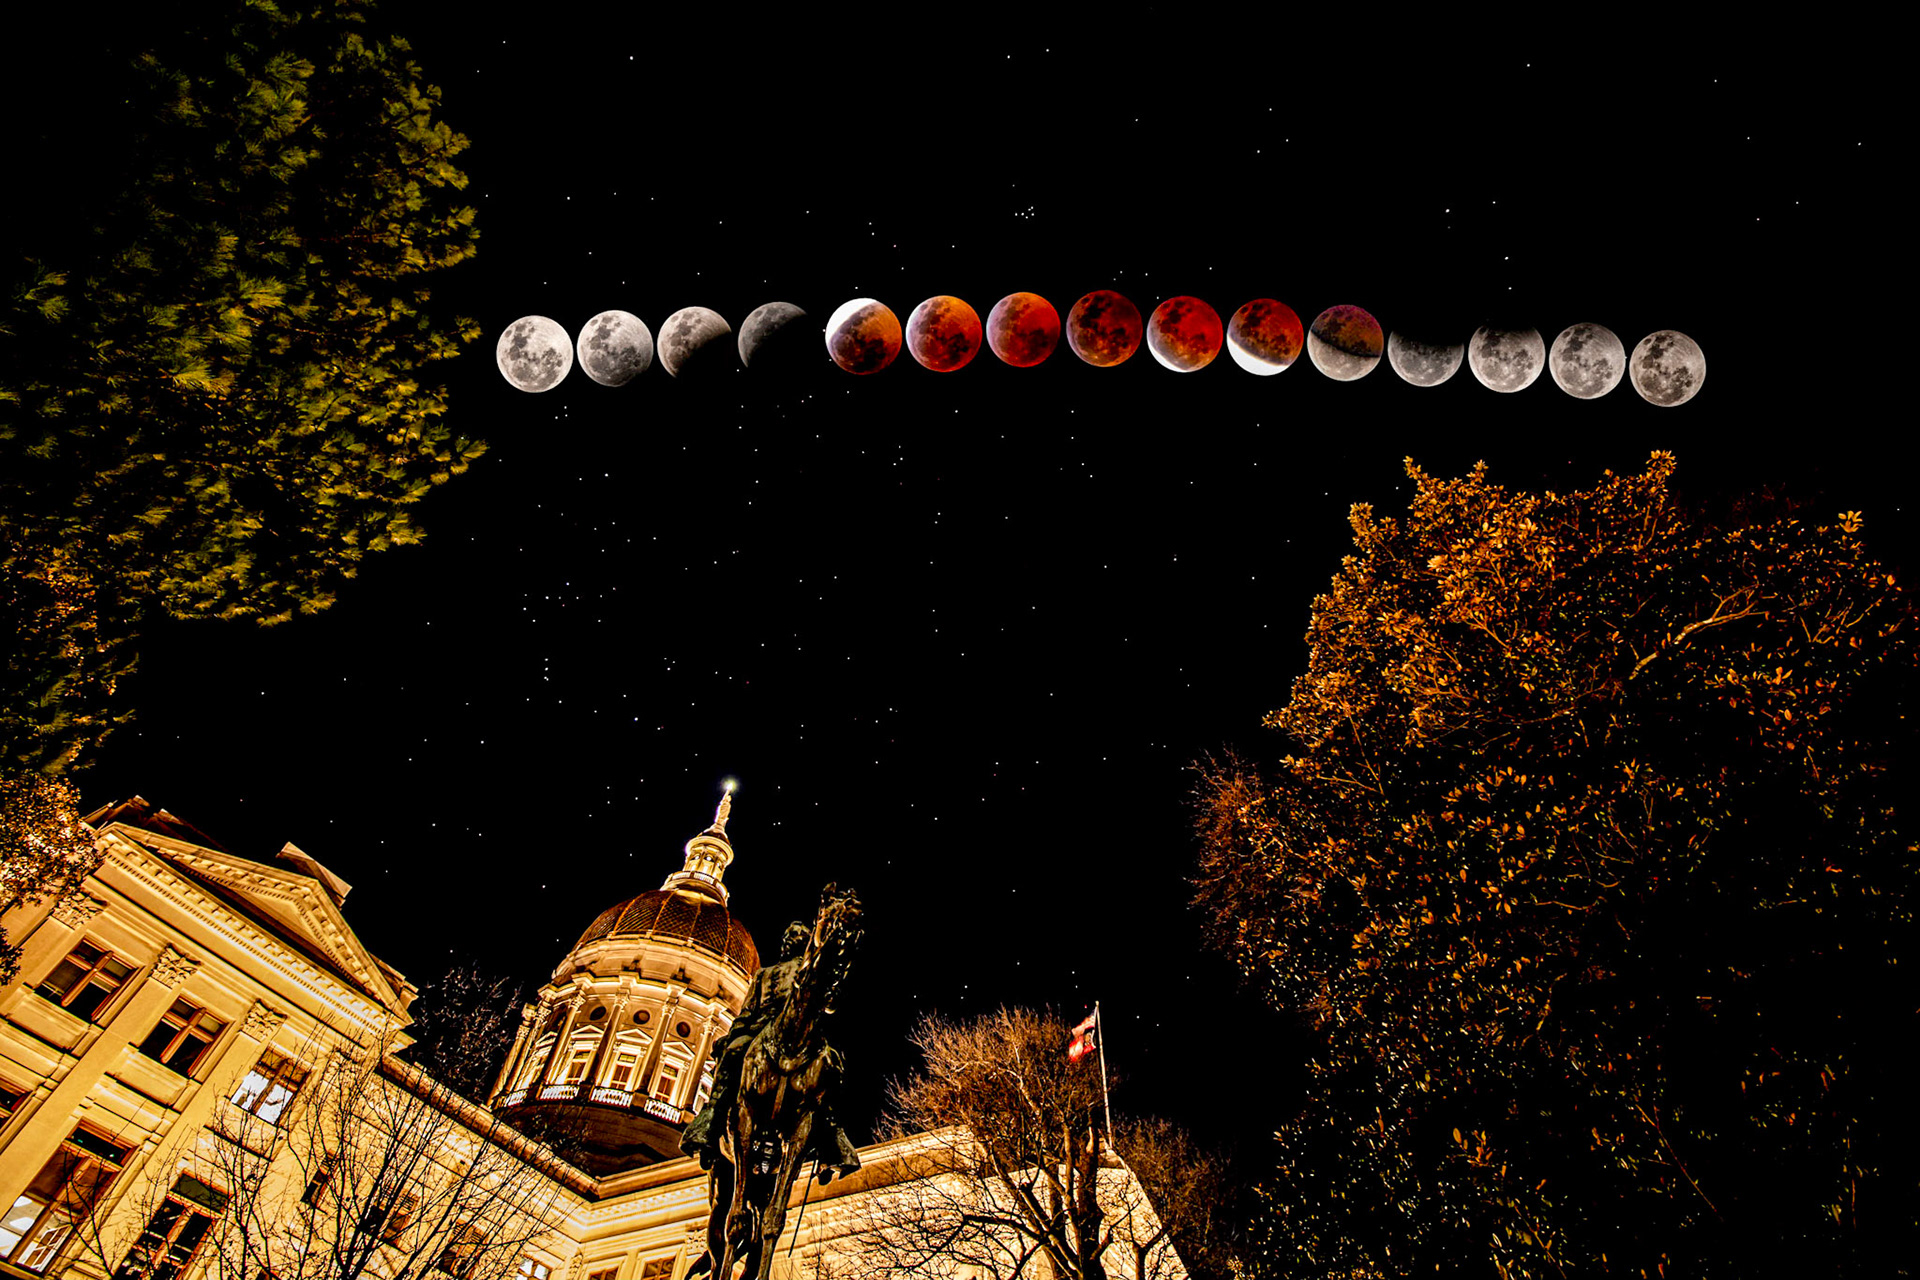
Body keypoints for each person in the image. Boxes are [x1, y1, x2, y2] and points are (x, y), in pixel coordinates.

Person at [682, 920, 859, 1180]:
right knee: (733, 1052)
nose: (792, 938)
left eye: (799, 934)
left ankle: (832, 1137)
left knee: (832, 1065)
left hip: (801, 1032)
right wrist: (734, 1034)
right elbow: (747, 1012)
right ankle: (710, 1117)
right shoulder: (764, 973)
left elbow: (828, 1005)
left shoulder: (811, 971)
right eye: (790, 934)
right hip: (759, 1031)